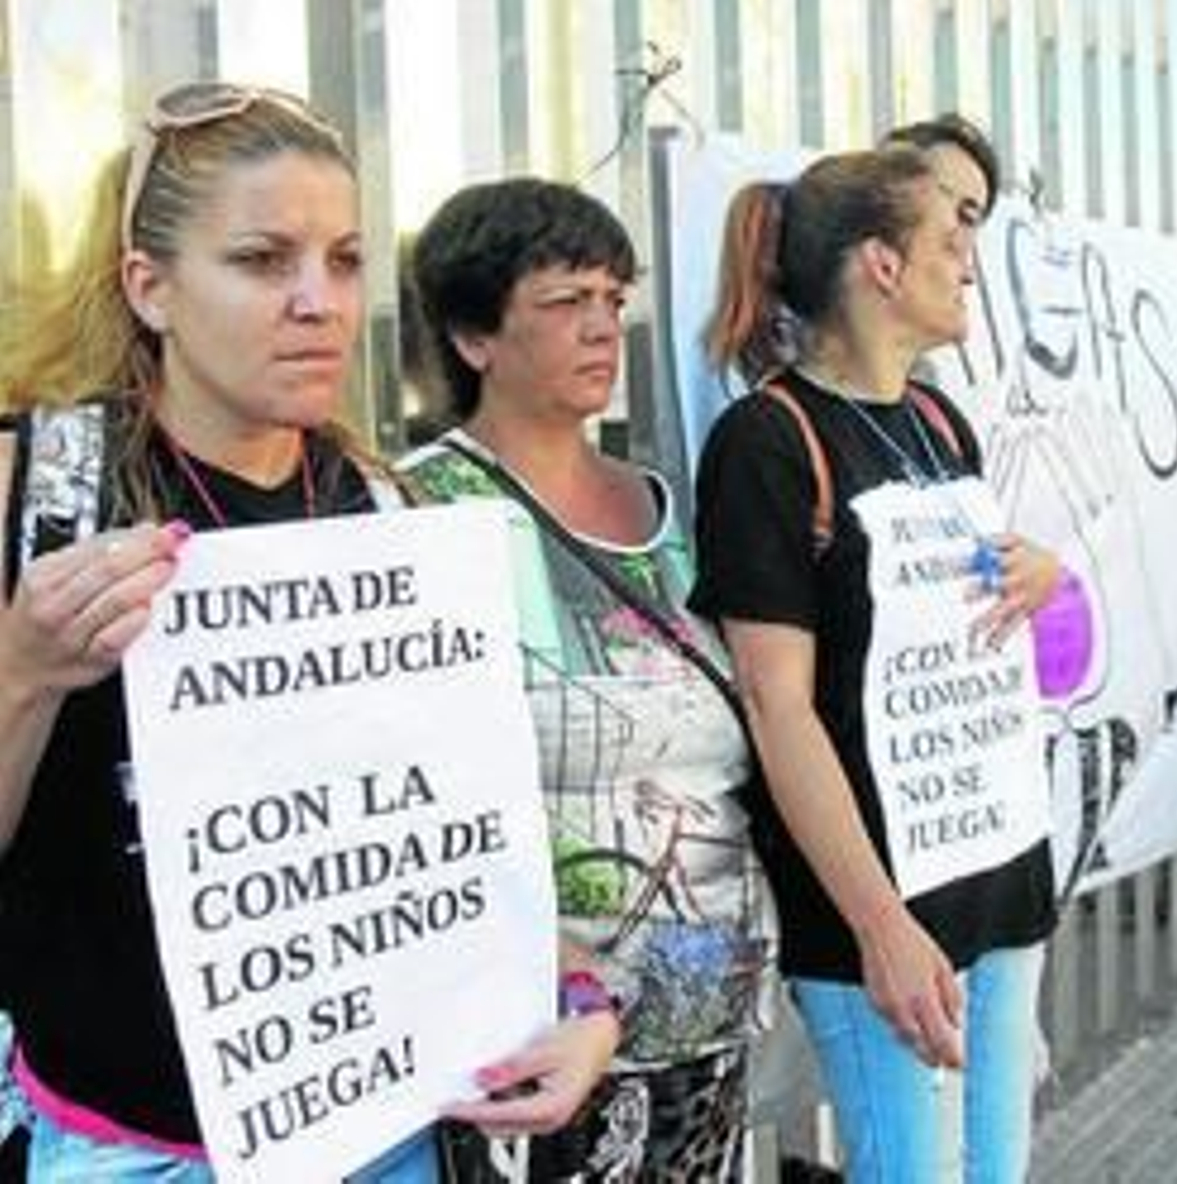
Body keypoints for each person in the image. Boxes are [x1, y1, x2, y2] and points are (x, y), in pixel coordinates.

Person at [0, 82, 616, 1182]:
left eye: (344, 260)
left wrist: (577, 998)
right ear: (149, 286)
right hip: (129, 1149)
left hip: (382, 1135)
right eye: (261, 260)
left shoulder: (385, 511)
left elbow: (439, 848)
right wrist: (23, 672)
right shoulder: (40, 494)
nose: (317, 302)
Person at [691, 144, 1061, 1182]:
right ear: (880, 264)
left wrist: (1042, 574)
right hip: (885, 907)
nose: (971, 262)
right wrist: (878, 924)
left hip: (998, 873)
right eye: (951, 236)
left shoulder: (938, 421)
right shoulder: (767, 441)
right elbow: (778, 706)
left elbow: (978, 612)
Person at [400, 177, 769, 1182]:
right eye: (567, 301)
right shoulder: (417, 512)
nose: (604, 326)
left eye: (614, 297)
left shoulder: (670, 504)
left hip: (708, 1004)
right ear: (473, 337)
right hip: (537, 1036)